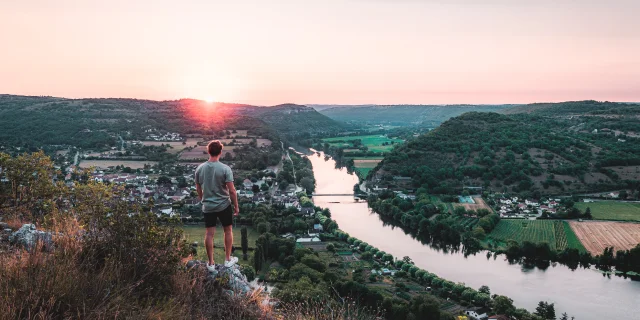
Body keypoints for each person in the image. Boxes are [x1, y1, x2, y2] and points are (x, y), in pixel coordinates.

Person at [195, 140, 239, 271]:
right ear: (221, 152)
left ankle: (211, 263)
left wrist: (203, 199)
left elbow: (198, 188)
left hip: (208, 206)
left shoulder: (200, 168)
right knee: (228, 230)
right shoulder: (225, 169)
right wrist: (236, 206)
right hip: (224, 204)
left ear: (208, 151)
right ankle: (227, 259)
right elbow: (232, 190)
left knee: (209, 234)